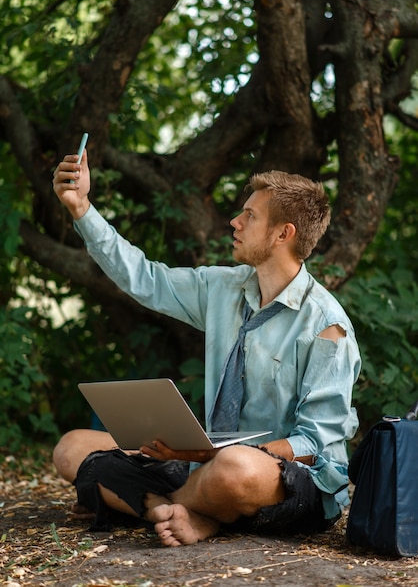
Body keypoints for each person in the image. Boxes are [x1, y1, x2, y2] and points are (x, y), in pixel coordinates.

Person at [52, 149, 360, 547]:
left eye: (250, 215)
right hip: (207, 463)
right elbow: (146, 279)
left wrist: (215, 456)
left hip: (284, 480)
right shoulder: (223, 288)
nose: (235, 221)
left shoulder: (326, 326)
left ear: (284, 234)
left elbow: (315, 444)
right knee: (73, 447)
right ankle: (177, 510)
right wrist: (82, 209)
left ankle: (147, 502)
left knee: (235, 466)